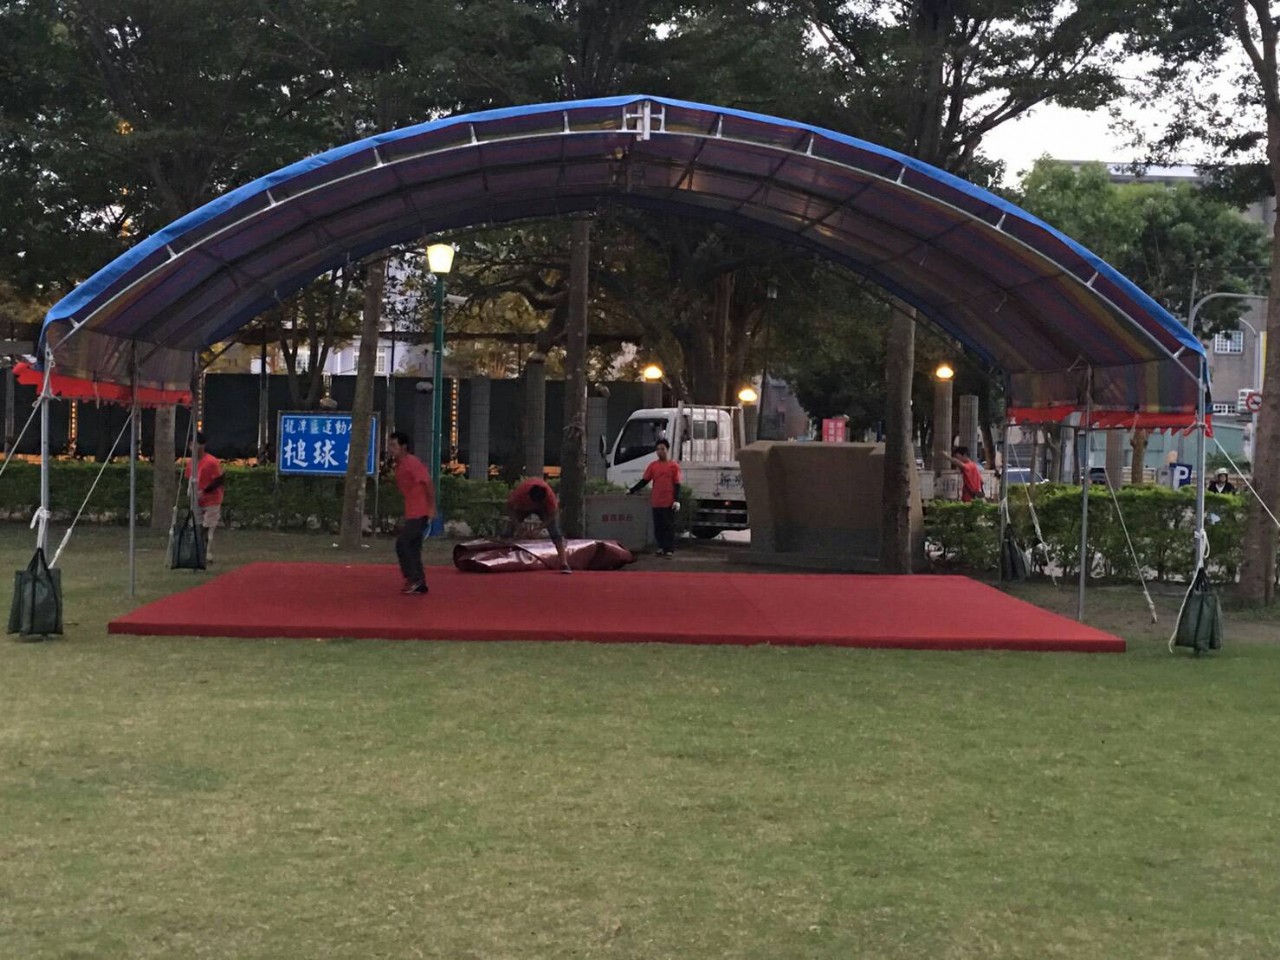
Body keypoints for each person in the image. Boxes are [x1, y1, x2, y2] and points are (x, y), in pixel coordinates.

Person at [387, 431, 435, 595]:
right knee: (412, 546)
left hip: (420, 511)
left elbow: (428, 483)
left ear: (404, 447)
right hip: (412, 511)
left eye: (394, 445)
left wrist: (431, 508)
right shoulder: (400, 465)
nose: (391, 449)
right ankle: (419, 581)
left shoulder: (412, 463)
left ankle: (414, 579)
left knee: (404, 543)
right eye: (390, 445)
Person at [503, 477, 571, 573]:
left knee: (555, 532)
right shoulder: (519, 494)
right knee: (509, 529)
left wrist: (539, 528)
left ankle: (564, 563)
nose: (534, 507)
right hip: (522, 507)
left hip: (543, 508)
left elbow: (553, 514)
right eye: (532, 505)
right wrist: (517, 525)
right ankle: (503, 557)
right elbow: (509, 509)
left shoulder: (550, 499)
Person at [628, 438, 682, 556]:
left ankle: (669, 549)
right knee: (658, 526)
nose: (660, 452)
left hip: (668, 501)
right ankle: (661, 547)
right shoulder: (653, 466)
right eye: (657, 449)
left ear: (667, 450)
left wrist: (676, 500)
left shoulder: (674, 466)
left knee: (668, 526)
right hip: (657, 501)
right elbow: (645, 480)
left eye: (662, 449)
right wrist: (632, 490)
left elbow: (677, 484)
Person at [183, 431, 224, 563]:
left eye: (196, 444)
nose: (193, 447)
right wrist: (190, 492)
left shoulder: (211, 462)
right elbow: (189, 479)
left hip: (212, 500)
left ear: (203, 445)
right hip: (196, 501)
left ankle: (207, 554)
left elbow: (219, 480)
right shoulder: (191, 463)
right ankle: (197, 553)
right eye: (191, 444)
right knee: (196, 526)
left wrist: (204, 491)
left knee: (208, 527)